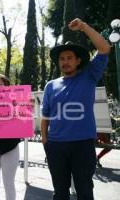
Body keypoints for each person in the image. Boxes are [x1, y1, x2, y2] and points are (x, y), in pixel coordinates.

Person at [41, 18, 110, 200]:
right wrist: (45, 140)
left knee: (85, 192)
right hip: (55, 146)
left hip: (82, 145)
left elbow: (104, 49)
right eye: (62, 59)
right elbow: (45, 115)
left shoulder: (90, 75)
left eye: (69, 58)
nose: (65, 62)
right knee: (60, 193)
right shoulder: (51, 85)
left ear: (78, 61)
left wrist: (84, 27)